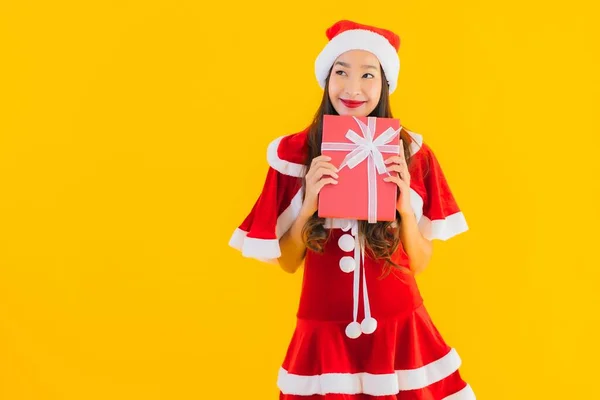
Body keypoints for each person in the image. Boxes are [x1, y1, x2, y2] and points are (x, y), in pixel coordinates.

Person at [229, 19, 475, 399]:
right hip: (323, 329)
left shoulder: (411, 153)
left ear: (385, 84)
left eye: (368, 74)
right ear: (327, 79)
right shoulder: (295, 155)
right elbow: (289, 261)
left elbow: (420, 262)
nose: (353, 87)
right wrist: (309, 202)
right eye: (341, 72)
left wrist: (405, 210)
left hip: (398, 328)